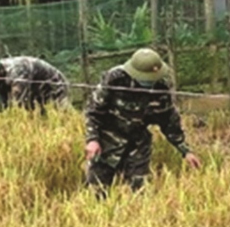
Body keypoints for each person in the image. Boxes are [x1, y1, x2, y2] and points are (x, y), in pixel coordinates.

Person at [84, 48, 201, 196]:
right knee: (96, 192)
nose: (149, 83)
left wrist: (186, 151)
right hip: (107, 142)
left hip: (137, 145)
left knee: (139, 194)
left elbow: (170, 123)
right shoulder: (114, 79)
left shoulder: (161, 89)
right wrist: (92, 140)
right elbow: (93, 111)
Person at [0, 56, 70, 110]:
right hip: (34, 90)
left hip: (54, 87)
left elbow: (19, 104)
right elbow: (5, 105)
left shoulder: (17, 70)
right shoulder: (1, 77)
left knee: (61, 115)